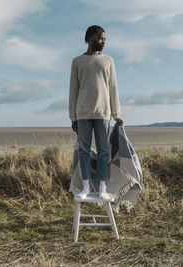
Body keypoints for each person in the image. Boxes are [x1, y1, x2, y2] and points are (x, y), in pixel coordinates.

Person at [69, 25, 123, 199]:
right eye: (101, 39)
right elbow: (73, 90)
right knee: (83, 151)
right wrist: (73, 116)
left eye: (105, 39)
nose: (104, 42)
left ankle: (102, 189)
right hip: (83, 113)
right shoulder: (77, 61)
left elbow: (113, 87)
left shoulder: (108, 60)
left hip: (103, 113)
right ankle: (85, 187)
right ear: (91, 38)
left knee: (103, 152)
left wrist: (117, 114)